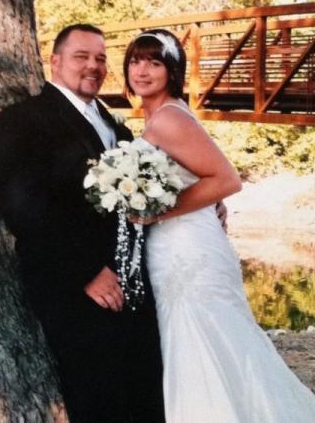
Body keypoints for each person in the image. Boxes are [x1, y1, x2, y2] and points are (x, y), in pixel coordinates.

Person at [123, 28, 315, 423]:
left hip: (185, 250)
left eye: (154, 62)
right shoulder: (167, 113)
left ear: (172, 70)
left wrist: (157, 212)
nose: (142, 71)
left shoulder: (167, 119)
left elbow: (227, 179)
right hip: (187, 243)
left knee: (200, 340)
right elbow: (198, 175)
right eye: (135, 61)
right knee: (216, 340)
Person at [0, 24, 166, 423]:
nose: (93, 66)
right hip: (73, 289)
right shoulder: (24, 119)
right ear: (55, 62)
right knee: (97, 397)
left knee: (145, 393)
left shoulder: (117, 127)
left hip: (131, 284)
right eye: (81, 56)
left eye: (101, 58)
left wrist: (205, 207)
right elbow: (23, 207)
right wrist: (86, 272)